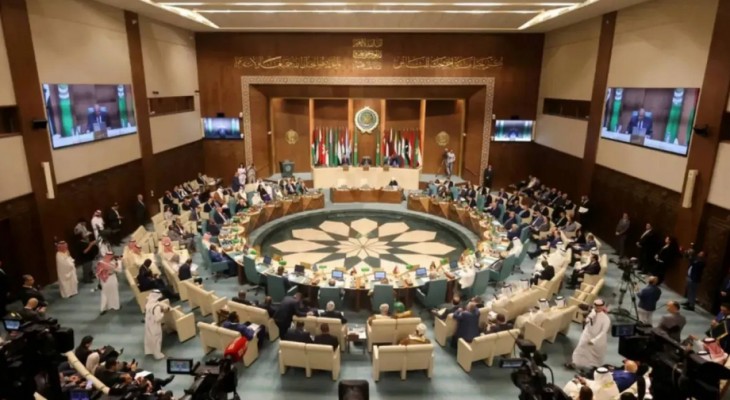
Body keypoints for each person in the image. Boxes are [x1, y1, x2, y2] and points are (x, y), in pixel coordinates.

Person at [568, 299, 611, 370]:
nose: (597, 308)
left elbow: (603, 332)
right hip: (587, 335)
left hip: (597, 339)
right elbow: (586, 321)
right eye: (596, 306)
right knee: (580, 349)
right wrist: (591, 315)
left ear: (603, 307)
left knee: (595, 354)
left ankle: (594, 367)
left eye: (599, 307)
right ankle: (575, 363)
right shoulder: (591, 313)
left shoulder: (606, 319)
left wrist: (594, 340)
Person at [144, 290, 168, 360]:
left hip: (148, 323)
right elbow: (158, 318)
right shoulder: (157, 307)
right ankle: (157, 354)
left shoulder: (148, 303)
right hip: (155, 324)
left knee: (149, 337)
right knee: (157, 339)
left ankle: (150, 350)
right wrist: (162, 313)